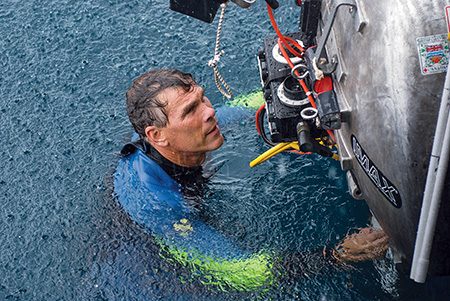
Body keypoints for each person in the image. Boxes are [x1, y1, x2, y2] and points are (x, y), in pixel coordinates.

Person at [115, 68, 389, 291]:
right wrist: (337, 255)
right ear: (156, 136)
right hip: (141, 252)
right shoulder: (156, 204)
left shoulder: (187, 133)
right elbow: (244, 272)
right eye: (190, 111)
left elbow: (245, 107)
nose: (209, 111)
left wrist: (302, 91)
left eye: (202, 98)